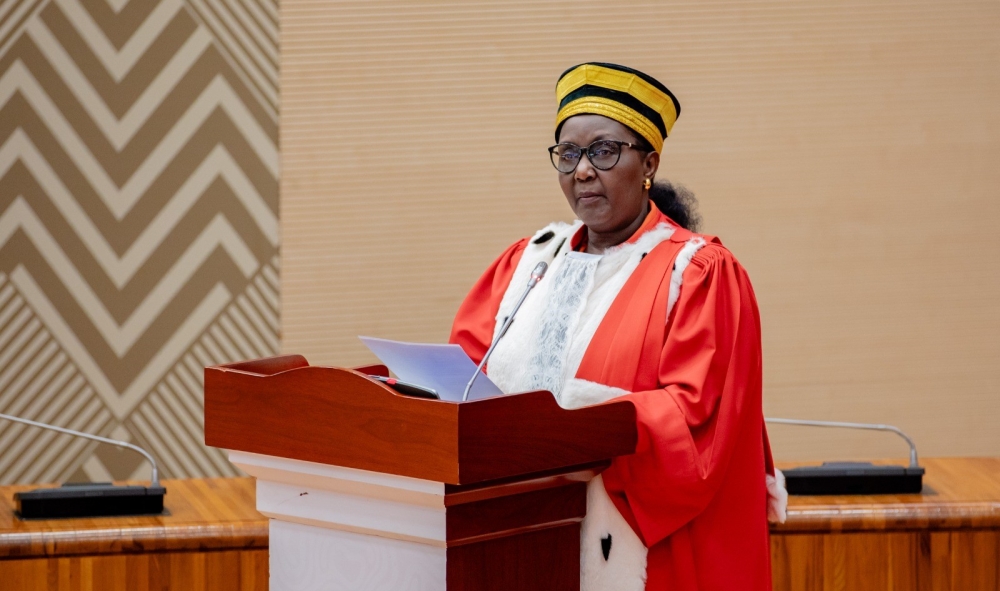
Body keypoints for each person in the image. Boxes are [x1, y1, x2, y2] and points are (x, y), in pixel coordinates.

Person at [449, 63, 786, 591]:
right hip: (517, 538)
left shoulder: (696, 273)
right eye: (569, 154)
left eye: (603, 152)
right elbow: (465, 375)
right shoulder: (528, 263)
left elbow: (694, 420)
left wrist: (571, 426)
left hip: (641, 551)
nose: (583, 170)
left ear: (648, 162)